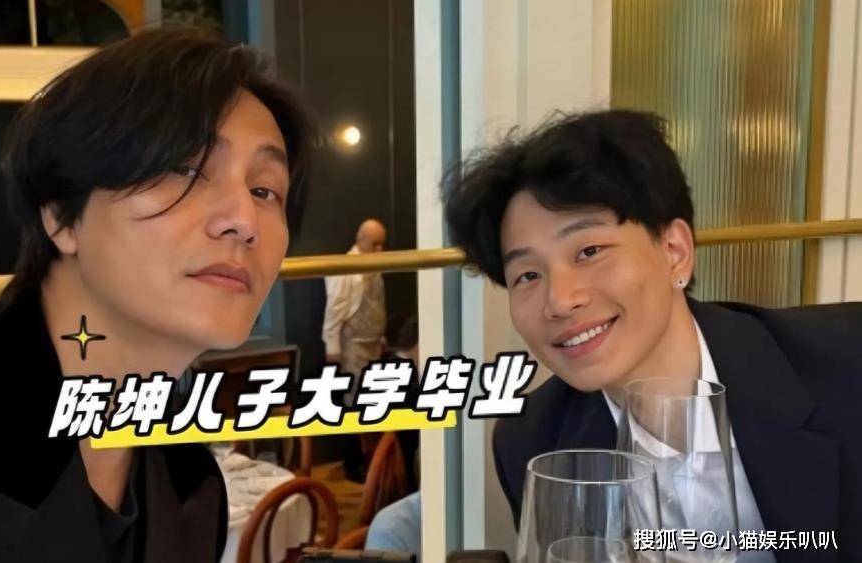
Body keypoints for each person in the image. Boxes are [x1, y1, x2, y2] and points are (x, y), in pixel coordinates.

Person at [0, 28, 312, 562]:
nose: (244, 220)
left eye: (264, 190)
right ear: (60, 213)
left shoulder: (192, 483)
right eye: (185, 169)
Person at [443, 110, 862, 563]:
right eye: (527, 275)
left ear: (674, 252)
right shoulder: (533, 441)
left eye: (589, 251)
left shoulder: (846, 367)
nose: (559, 301)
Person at [322, 218, 388, 379]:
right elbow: (334, 308)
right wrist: (332, 348)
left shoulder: (375, 265)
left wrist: (380, 336)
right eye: (374, 244)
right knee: (356, 389)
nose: (379, 249)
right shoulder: (346, 266)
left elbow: (377, 303)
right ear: (361, 239)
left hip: (374, 343)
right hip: (353, 346)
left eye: (381, 244)